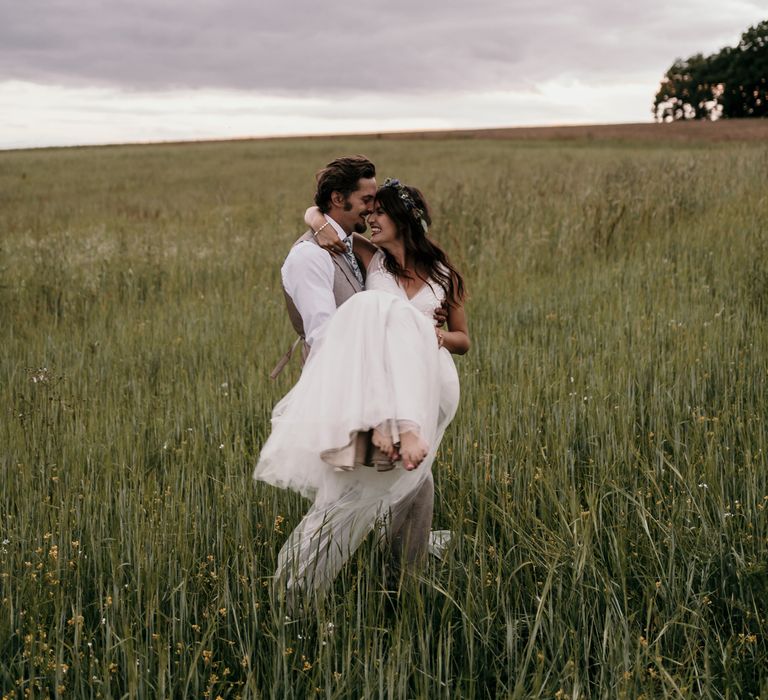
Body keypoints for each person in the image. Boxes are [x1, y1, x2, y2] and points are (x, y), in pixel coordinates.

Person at [255, 167, 469, 611]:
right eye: (368, 208)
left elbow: (463, 338)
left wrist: (432, 335)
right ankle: (302, 589)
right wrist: (316, 220)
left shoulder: (443, 274)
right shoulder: (370, 257)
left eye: (380, 213)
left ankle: (401, 587)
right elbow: (322, 216)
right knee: (373, 485)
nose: (371, 218)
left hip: (428, 382)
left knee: (408, 482)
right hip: (381, 390)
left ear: (404, 221)